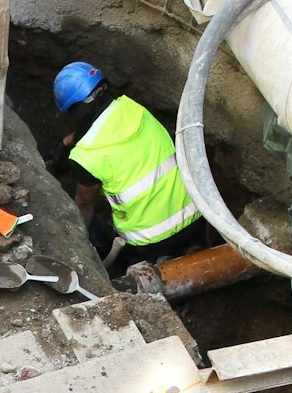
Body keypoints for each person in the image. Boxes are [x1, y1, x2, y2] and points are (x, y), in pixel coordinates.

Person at [49, 61, 215, 268]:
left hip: (150, 239)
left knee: (95, 229)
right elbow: (103, 125)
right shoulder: (135, 109)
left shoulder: (86, 156)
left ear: (73, 110)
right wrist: (67, 142)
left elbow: (84, 203)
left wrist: (77, 242)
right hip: (197, 215)